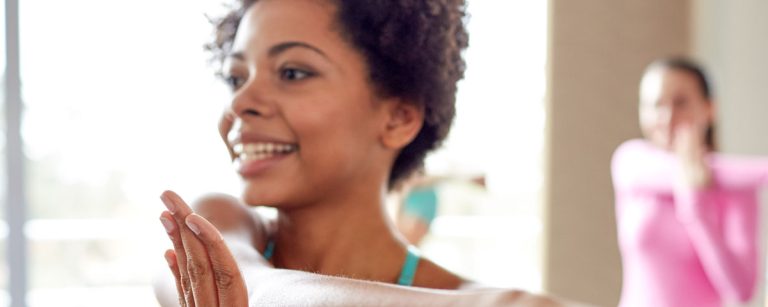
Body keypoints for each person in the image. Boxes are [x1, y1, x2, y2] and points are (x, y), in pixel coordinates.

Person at [154, 0, 573, 305]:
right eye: (235, 77)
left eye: (293, 72)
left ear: (398, 118)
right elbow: (247, 285)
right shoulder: (212, 223)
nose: (240, 102)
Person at [612, 57, 768, 307]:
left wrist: (697, 208)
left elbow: (742, 290)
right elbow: (712, 171)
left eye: (680, 102)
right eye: (654, 104)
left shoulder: (739, 192)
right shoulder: (631, 162)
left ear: (709, 109)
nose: (666, 116)